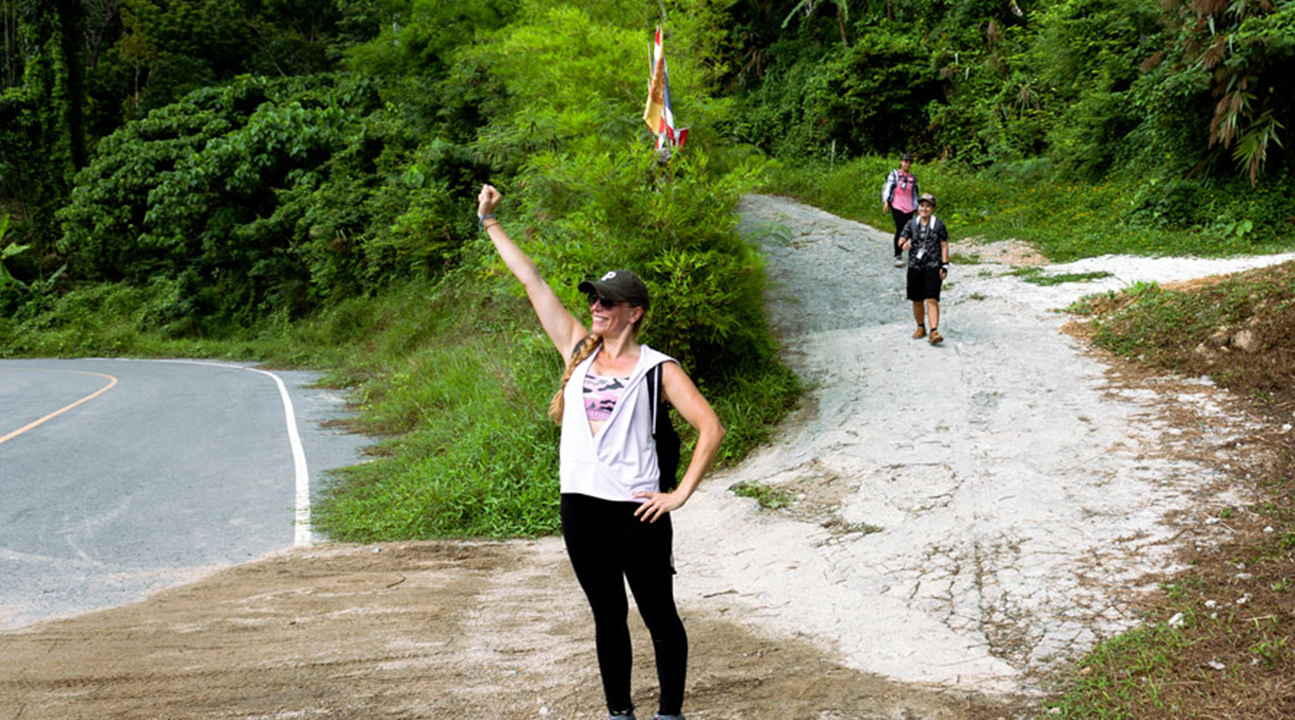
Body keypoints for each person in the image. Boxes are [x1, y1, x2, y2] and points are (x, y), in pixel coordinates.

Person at [475, 184, 726, 720]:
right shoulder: (577, 349)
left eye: (607, 303)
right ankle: (619, 714)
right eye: (593, 299)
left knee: (659, 615)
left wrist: (678, 494)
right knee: (607, 617)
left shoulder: (660, 368)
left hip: (636, 511)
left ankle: (669, 715)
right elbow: (532, 282)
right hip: (581, 510)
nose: (596, 307)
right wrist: (490, 222)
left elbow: (711, 428)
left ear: (633, 313)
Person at [898, 192, 949, 345]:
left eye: (928, 206)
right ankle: (921, 327)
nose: (924, 209)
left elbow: (944, 245)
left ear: (933, 208)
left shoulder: (939, 225)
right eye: (921, 206)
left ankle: (934, 331)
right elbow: (901, 238)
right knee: (917, 299)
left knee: (932, 298)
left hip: (933, 266)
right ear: (918, 207)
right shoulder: (912, 224)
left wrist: (944, 265)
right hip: (915, 266)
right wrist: (903, 244)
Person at [881, 153, 920, 268]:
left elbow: (915, 193)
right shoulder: (895, 174)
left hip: (909, 207)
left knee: (909, 230)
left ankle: (909, 251)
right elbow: (888, 187)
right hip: (897, 205)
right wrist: (886, 202)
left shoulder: (912, 178)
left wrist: (917, 207)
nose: (907, 164)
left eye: (909, 162)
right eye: (905, 161)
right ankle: (897, 255)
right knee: (900, 229)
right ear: (901, 162)